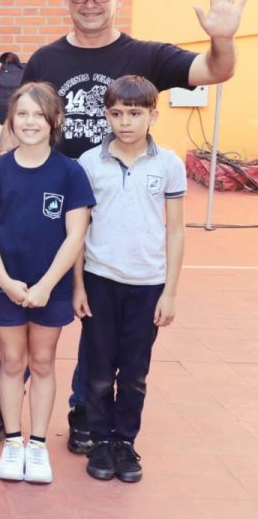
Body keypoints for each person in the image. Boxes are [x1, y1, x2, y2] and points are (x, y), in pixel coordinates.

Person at [0, 0, 248, 452]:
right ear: (67, 0)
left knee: (91, 321)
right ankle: (4, 402)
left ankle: (82, 409)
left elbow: (215, 70)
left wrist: (223, 38)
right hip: (51, 206)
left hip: (114, 212)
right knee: (24, 312)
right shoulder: (46, 59)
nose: (90, 3)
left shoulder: (147, 54)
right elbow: (23, 119)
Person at [0, 83, 94, 484]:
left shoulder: (70, 173)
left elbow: (75, 235)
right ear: (11, 120)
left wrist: (46, 284)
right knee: (12, 362)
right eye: (22, 114)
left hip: (53, 286)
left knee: (43, 362)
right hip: (8, 285)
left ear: (54, 121)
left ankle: (38, 445)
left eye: (39, 115)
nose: (30, 122)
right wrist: (6, 281)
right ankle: (13, 442)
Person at [76, 76, 185, 483]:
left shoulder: (169, 165)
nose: (125, 122)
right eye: (116, 113)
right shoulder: (89, 163)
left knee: (134, 373)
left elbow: (175, 230)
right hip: (100, 280)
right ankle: (100, 441)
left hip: (148, 285)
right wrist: (78, 286)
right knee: (100, 369)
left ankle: (125, 441)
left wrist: (169, 292)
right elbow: (78, 231)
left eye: (135, 113)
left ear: (153, 115)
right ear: (106, 115)